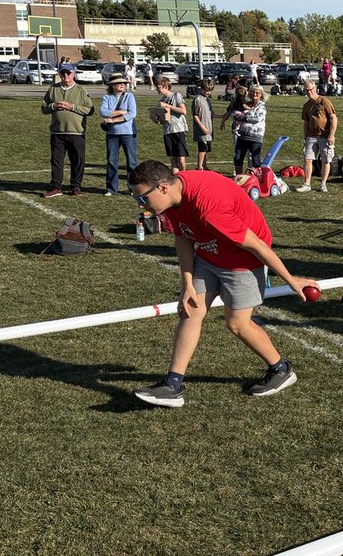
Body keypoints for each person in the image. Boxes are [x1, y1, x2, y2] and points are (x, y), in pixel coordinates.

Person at [129, 161, 318, 407]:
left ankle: (281, 370)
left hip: (243, 260)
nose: (140, 205)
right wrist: (187, 283)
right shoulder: (173, 196)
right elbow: (183, 237)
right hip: (210, 254)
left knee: (237, 323)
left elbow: (257, 245)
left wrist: (291, 280)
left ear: (162, 187)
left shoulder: (209, 208)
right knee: (191, 310)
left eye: (142, 198)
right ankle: (173, 386)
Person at [41, 63, 94, 198]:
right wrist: (53, 106)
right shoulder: (53, 89)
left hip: (76, 132)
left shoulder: (81, 90)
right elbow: (44, 107)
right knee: (56, 161)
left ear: (73, 74)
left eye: (68, 73)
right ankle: (56, 187)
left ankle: (76, 186)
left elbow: (89, 110)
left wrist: (72, 107)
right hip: (57, 132)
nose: (65, 75)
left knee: (77, 160)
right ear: (60, 74)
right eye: (63, 73)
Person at [100, 72, 138, 195]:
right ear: (112, 85)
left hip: (128, 133)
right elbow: (103, 112)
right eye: (118, 83)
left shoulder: (129, 96)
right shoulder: (107, 97)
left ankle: (133, 188)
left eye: (123, 83)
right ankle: (111, 189)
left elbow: (132, 113)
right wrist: (121, 112)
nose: (122, 85)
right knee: (111, 161)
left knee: (132, 162)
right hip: (112, 134)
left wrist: (113, 119)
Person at [297, 79, 338, 193]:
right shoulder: (306, 105)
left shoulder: (324, 101)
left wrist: (331, 135)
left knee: (325, 160)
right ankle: (307, 183)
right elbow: (306, 123)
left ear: (315, 88)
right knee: (307, 159)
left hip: (325, 136)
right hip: (311, 136)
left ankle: (323, 184)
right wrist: (305, 138)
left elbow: (333, 118)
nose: (309, 92)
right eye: (307, 90)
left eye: (311, 89)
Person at [155, 76, 189, 171]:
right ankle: (176, 178)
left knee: (181, 160)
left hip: (179, 130)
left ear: (166, 87)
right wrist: (156, 119)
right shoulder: (161, 101)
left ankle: (183, 176)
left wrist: (167, 106)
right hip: (167, 131)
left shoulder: (176, 96)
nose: (157, 89)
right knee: (173, 159)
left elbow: (183, 111)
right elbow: (162, 119)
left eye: (158, 87)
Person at [233, 85, 266, 174]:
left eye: (257, 92)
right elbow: (234, 114)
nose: (254, 94)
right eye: (253, 92)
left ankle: (258, 178)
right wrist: (245, 115)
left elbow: (257, 118)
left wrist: (243, 116)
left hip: (255, 137)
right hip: (242, 135)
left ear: (261, 94)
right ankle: (238, 178)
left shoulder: (262, 106)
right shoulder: (245, 103)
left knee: (255, 161)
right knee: (238, 159)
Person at [191, 77, 215, 170]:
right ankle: (199, 167)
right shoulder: (197, 99)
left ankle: (205, 166)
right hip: (201, 129)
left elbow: (211, 113)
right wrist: (202, 127)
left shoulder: (208, 99)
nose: (208, 93)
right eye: (207, 90)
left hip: (208, 128)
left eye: (210, 91)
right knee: (202, 148)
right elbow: (195, 115)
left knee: (206, 149)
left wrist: (222, 116)